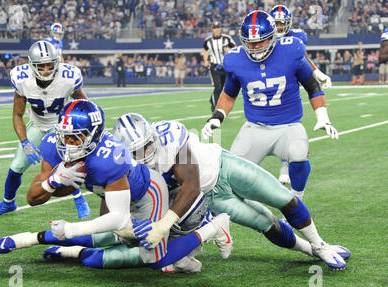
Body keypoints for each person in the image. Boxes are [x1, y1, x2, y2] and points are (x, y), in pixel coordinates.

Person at [0, 99, 232, 273]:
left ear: (93, 136)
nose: (67, 143)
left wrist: (72, 230)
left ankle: (213, 227)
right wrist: (52, 182)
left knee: (156, 260)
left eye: (75, 137)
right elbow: (32, 198)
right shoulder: (53, 145)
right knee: (99, 247)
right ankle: (31, 240)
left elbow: (118, 219)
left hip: (148, 194)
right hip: (113, 195)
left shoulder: (110, 158)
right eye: (64, 134)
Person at [200, 11, 350, 270]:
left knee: (299, 152)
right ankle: (211, 225)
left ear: (274, 37)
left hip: (288, 125)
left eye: (260, 41)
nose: (255, 47)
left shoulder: (291, 50)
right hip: (254, 128)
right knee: (222, 180)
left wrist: (323, 116)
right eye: (250, 42)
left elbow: (312, 86)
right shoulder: (235, 58)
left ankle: (296, 199)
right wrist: (217, 117)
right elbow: (229, 92)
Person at [114, 113, 350, 270]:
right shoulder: (124, 166)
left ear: (153, 135)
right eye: (136, 151)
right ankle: (312, 250)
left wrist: (162, 225)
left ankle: (320, 244)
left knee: (282, 198)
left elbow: (191, 183)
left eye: (146, 145)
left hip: (223, 167)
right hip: (212, 199)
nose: (144, 154)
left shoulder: (169, 135)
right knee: (266, 223)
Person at [0, 40, 91, 219]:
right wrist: (24, 142)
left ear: (57, 63)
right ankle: (8, 203)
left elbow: (84, 104)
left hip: (61, 127)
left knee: (64, 164)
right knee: (17, 165)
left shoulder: (68, 77)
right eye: (42, 66)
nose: (47, 69)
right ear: (32, 66)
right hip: (38, 125)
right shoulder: (22, 79)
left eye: (50, 64)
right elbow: (17, 115)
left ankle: (79, 199)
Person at [270, 4, 332, 187]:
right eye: (277, 23)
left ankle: (285, 166)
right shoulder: (264, 37)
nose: (280, 27)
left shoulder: (296, 38)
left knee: (290, 124)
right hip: (269, 85)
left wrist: (318, 73)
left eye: (283, 23)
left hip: (290, 84)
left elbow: (302, 58)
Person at [203, 21, 236, 112]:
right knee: (217, 87)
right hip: (214, 67)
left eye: (218, 28)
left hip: (225, 66)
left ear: (220, 28)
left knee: (223, 88)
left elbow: (235, 48)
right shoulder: (208, 40)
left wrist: (229, 50)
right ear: (212, 29)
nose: (216, 30)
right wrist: (206, 60)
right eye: (214, 28)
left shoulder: (227, 38)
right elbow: (205, 50)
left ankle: (212, 99)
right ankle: (215, 108)